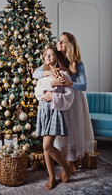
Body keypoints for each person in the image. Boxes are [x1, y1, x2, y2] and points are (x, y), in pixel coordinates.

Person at [33, 31, 94, 173]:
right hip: (60, 99)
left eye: (63, 41)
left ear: (70, 45)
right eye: (59, 40)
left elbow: (84, 86)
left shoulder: (77, 63)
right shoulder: (55, 57)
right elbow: (35, 73)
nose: (59, 43)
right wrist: (47, 73)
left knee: (73, 130)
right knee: (64, 132)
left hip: (75, 99)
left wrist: (68, 83)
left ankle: (73, 162)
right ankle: (68, 163)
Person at [35, 46, 74, 190]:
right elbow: (37, 91)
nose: (48, 57)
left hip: (55, 110)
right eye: (46, 55)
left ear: (57, 57)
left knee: (47, 145)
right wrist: (51, 83)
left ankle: (67, 169)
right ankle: (52, 177)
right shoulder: (43, 75)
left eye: (51, 55)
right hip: (44, 111)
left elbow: (70, 95)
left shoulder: (64, 74)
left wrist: (54, 96)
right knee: (46, 148)